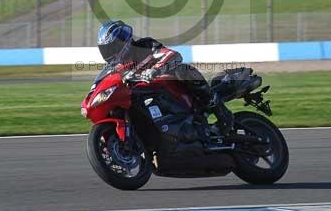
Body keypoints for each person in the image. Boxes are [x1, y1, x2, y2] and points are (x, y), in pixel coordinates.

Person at [97, 20, 231, 132]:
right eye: (106, 49)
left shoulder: (145, 46)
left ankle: (216, 106)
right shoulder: (117, 67)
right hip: (145, 97)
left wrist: (154, 70)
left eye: (111, 47)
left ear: (122, 42)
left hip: (169, 88)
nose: (109, 52)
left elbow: (172, 55)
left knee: (182, 69)